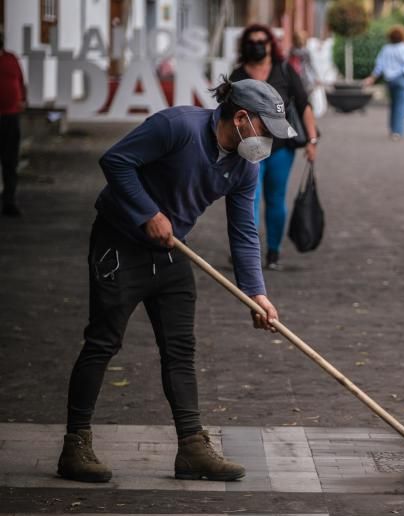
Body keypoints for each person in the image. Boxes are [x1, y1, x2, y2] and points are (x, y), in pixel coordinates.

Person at [58, 78, 294, 483]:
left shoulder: (244, 166)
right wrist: (148, 212)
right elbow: (115, 161)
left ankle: (191, 448)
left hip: (171, 254)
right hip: (119, 245)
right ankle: (74, 445)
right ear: (240, 119)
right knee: (103, 341)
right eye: (265, 130)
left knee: (180, 349)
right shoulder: (176, 127)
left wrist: (256, 293)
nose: (268, 143)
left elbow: (243, 233)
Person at [230, 24, 319, 271]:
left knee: (276, 199)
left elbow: (304, 105)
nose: (257, 45)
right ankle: (251, 254)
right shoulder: (237, 76)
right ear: (244, 46)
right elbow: (227, 114)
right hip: (249, 149)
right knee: (251, 199)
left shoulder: (284, 71)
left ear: (270, 45)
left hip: (281, 148)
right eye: (252, 41)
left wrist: (312, 140)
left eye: (262, 41)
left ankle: (274, 252)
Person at [363, 25, 404, 141]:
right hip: (402, 78)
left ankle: (392, 128)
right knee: (400, 105)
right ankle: (397, 131)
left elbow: (379, 65)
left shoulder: (386, 49)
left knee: (393, 104)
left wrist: (372, 78)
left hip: (390, 80)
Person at [0, 32, 26, 217]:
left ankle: (9, 201)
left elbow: (20, 81)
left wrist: (22, 99)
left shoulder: (11, 58)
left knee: (10, 161)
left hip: (11, 116)